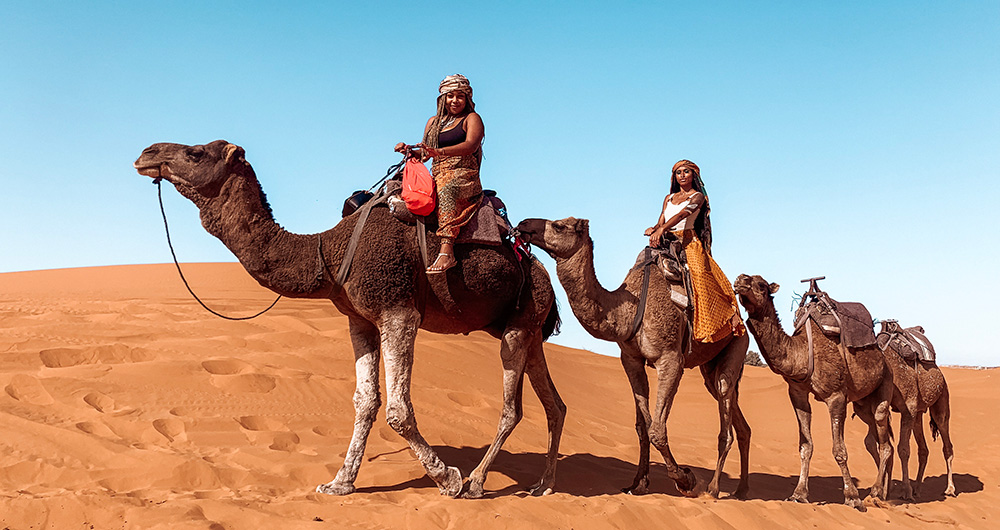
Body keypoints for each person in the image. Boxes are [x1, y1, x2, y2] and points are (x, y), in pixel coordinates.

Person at [645, 160, 745, 343]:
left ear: (694, 175)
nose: (682, 175)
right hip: (668, 240)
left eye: (686, 172)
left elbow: (682, 215)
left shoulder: (698, 197)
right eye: (678, 172)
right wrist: (655, 228)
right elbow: (662, 218)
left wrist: (662, 229)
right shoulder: (668, 198)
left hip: (689, 241)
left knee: (700, 274)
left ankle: (729, 314)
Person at [395, 74, 485, 273]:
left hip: (463, 174)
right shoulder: (433, 122)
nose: (455, 101)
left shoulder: (472, 119)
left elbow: (470, 145)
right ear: (442, 98)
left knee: (447, 189)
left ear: (467, 98)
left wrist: (441, 152)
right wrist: (409, 150)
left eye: (460, 96)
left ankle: (447, 249)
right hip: (437, 170)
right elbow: (426, 154)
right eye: (450, 96)